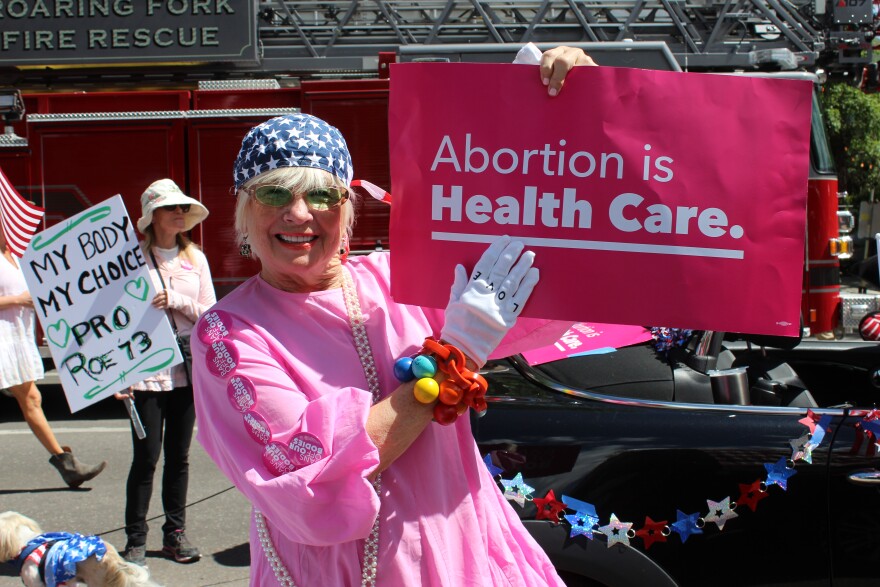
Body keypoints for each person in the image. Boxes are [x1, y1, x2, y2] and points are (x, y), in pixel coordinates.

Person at [190, 47, 594, 586]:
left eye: (321, 193)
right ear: (244, 210)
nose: (299, 212)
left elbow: (541, 269)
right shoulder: (229, 335)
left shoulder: (404, 273)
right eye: (273, 192)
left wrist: (569, 112)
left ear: (347, 206)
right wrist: (453, 363)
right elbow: (312, 481)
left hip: (464, 550)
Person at [114, 178, 216, 568]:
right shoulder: (133, 260)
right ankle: (135, 540)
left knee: (180, 456)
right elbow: (115, 322)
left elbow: (211, 314)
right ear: (152, 216)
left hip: (187, 369)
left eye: (183, 208)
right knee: (146, 457)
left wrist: (177, 300)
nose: (180, 213)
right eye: (172, 208)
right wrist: (117, 377)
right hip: (145, 371)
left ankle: (175, 534)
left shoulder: (196, 259)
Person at [0, 228, 107, 489]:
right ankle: (67, 464)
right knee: (31, 399)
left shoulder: (14, 254)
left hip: (17, 336)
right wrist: (18, 299)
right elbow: (21, 297)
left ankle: (67, 464)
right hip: (4, 338)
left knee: (32, 398)